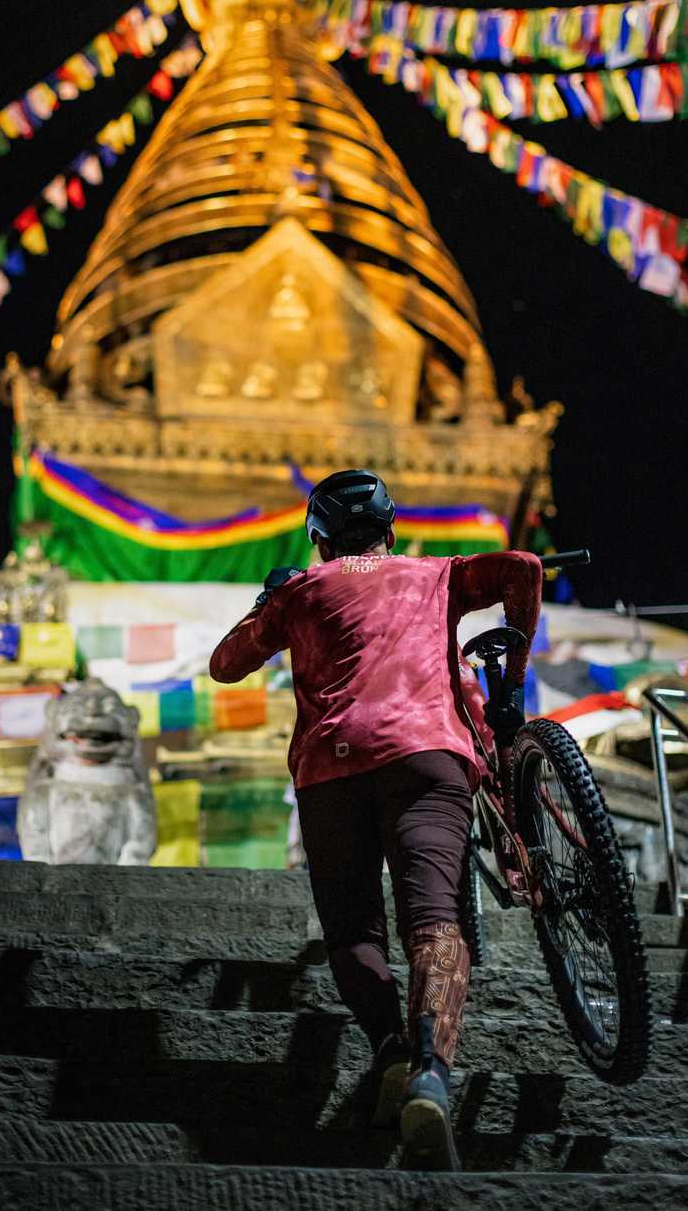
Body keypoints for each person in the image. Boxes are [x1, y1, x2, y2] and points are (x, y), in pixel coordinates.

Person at [209, 469, 542, 1170]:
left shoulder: (302, 590)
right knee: (434, 923)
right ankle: (428, 1074)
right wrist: (511, 685)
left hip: (331, 769)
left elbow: (226, 665)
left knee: (354, 934)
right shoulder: (435, 573)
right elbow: (524, 568)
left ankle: (390, 1049)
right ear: (391, 528)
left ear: (319, 539)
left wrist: (267, 600)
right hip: (425, 756)